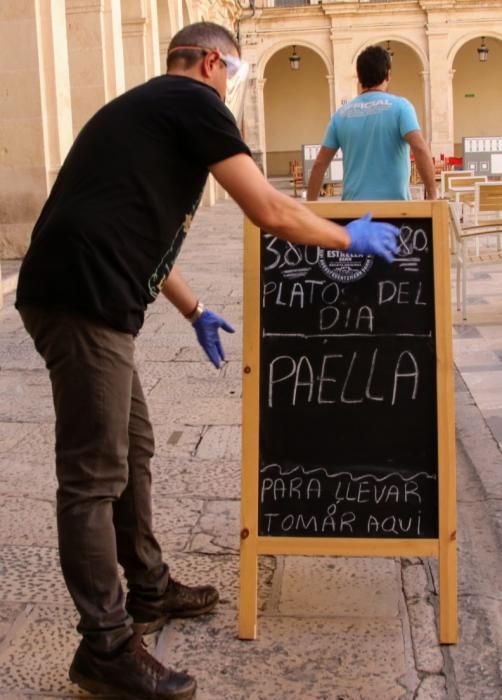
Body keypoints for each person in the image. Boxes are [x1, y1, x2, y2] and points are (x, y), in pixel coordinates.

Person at [15, 21, 400, 700]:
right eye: (237, 74)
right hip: (82, 298)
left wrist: (194, 310)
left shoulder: (149, 110)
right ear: (214, 62)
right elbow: (271, 211)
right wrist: (348, 237)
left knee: (132, 448)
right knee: (93, 475)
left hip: (87, 290)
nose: (235, 89)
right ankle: (103, 648)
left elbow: (136, 227)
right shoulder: (193, 102)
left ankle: (151, 589)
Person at [307, 44, 437, 202]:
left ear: (359, 77)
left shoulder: (340, 115)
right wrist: (432, 195)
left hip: (354, 212)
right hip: (394, 211)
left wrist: (311, 205)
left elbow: (319, 164)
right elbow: (419, 148)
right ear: (388, 74)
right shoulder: (401, 107)